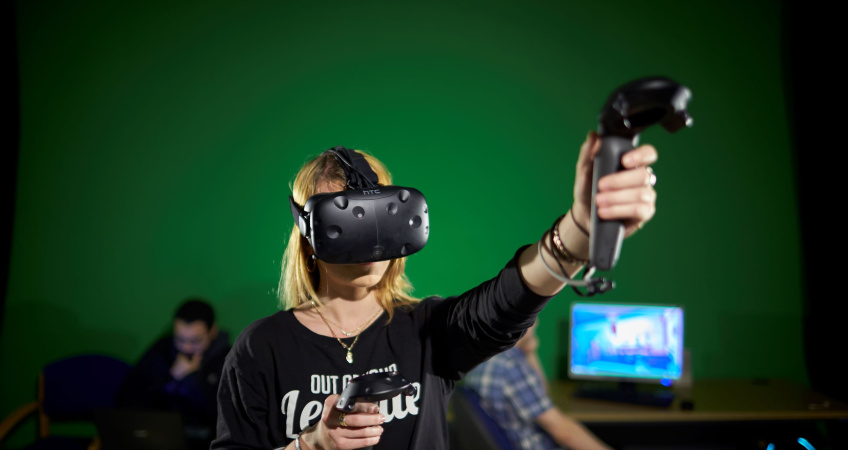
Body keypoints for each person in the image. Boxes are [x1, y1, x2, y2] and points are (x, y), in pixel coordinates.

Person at [212, 131, 658, 450]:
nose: (369, 243)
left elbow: (508, 300)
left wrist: (581, 229)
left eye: (380, 218)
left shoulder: (427, 331)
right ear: (308, 235)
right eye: (345, 224)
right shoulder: (260, 349)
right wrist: (309, 446)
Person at [464, 320, 613, 450]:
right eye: (534, 317)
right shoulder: (511, 365)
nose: (537, 323)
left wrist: (530, 352)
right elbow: (564, 432)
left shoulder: (483, 356)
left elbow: (540, 394)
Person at [117, 298, 230, 450]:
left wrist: (190, 380)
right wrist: (171, 377)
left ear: (212, 332)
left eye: (195, 341)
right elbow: (127, 397)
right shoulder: (163, 349)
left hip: (204, 442)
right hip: (155, 437)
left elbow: (224, 415)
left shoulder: (227, 359)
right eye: (180, 339)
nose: (187, 347)